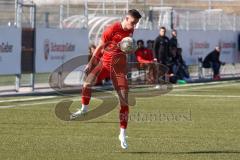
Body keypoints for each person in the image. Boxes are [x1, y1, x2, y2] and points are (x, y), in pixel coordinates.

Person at [70, 9, 142, 149]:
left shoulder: (130, 30)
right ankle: (84, 108)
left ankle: (122, 133)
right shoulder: (112, 29)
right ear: (126, 18)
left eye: (136, 24)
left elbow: (122, 47)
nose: (134, 26)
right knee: (87, 84)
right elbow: (100, 46)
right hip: (104, 64)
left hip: (119, 69)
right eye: (133, 23)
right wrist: (91, 63)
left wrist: (129, 49)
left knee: (124, 101)